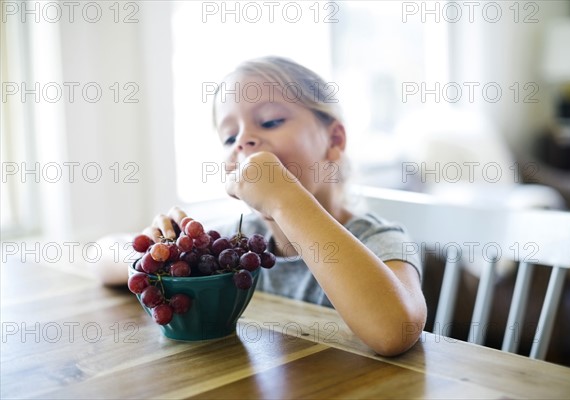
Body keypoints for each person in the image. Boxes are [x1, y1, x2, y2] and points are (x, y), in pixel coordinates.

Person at [99, 56, 427, 357]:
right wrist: (154, 253)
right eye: (229, 137)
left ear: (334, 140)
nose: (243, 141)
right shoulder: (236, 245)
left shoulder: (379, 239)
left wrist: (286, 199)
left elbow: (393, 332)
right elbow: (100, 255)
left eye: (270, 122)